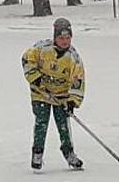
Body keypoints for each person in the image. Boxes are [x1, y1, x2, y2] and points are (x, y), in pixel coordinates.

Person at [22, 18, 85, 170]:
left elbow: (78, 80)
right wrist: (35, 79)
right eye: (61, 38)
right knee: (41, 122)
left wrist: (72, 101)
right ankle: (37, 152)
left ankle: (68, 153)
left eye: (68, 38)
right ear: (55, 37)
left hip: (61, 97)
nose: (65, 41)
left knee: (63, 126)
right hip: (41, 93)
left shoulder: (73, 58)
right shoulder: (41, 49)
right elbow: (26, 59)